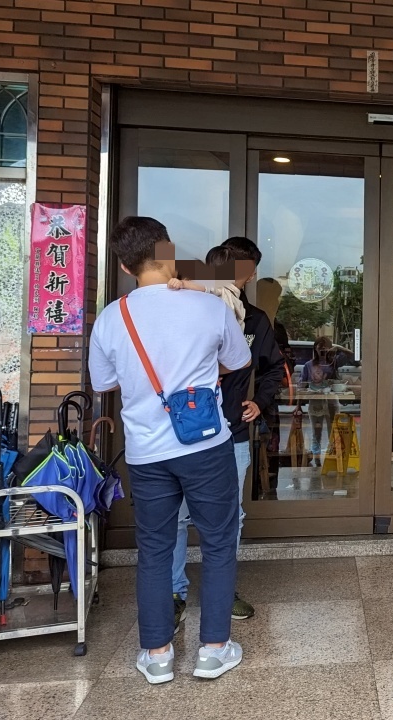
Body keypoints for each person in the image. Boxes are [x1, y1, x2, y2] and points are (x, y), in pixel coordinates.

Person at [88, 217, 250, 684]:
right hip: (206, 446)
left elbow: (105, 384)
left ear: (123, 265)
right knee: (218, 543)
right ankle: (214, 650)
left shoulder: (111, 319)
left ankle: (157, 655)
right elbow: (237, 360)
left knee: (154, 550)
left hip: (146, 451)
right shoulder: (206, 307)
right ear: (169, 251)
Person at [168, 238, 285, 626]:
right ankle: (174, 591)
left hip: (232, 432)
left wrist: (260, 401)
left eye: (248, 269)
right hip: (181, 432)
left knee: (229, 516)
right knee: (180, 516)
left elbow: (271, 369)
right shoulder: (186, 308)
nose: (244, 275)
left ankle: (222, 588)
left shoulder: (254, 320)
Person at [302, 335, 340, 463]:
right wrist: (298, 405)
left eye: (325, 348)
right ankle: (317, 459)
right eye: (320, 348)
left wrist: (336, 348)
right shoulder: (308, 365)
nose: (322, 351)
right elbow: (302, 385)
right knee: (316, 433)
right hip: (315, 402)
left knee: (333, 432)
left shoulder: (333, 363)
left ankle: (332, 458)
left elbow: (352, 357)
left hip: (331, 401)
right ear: (315, 349)